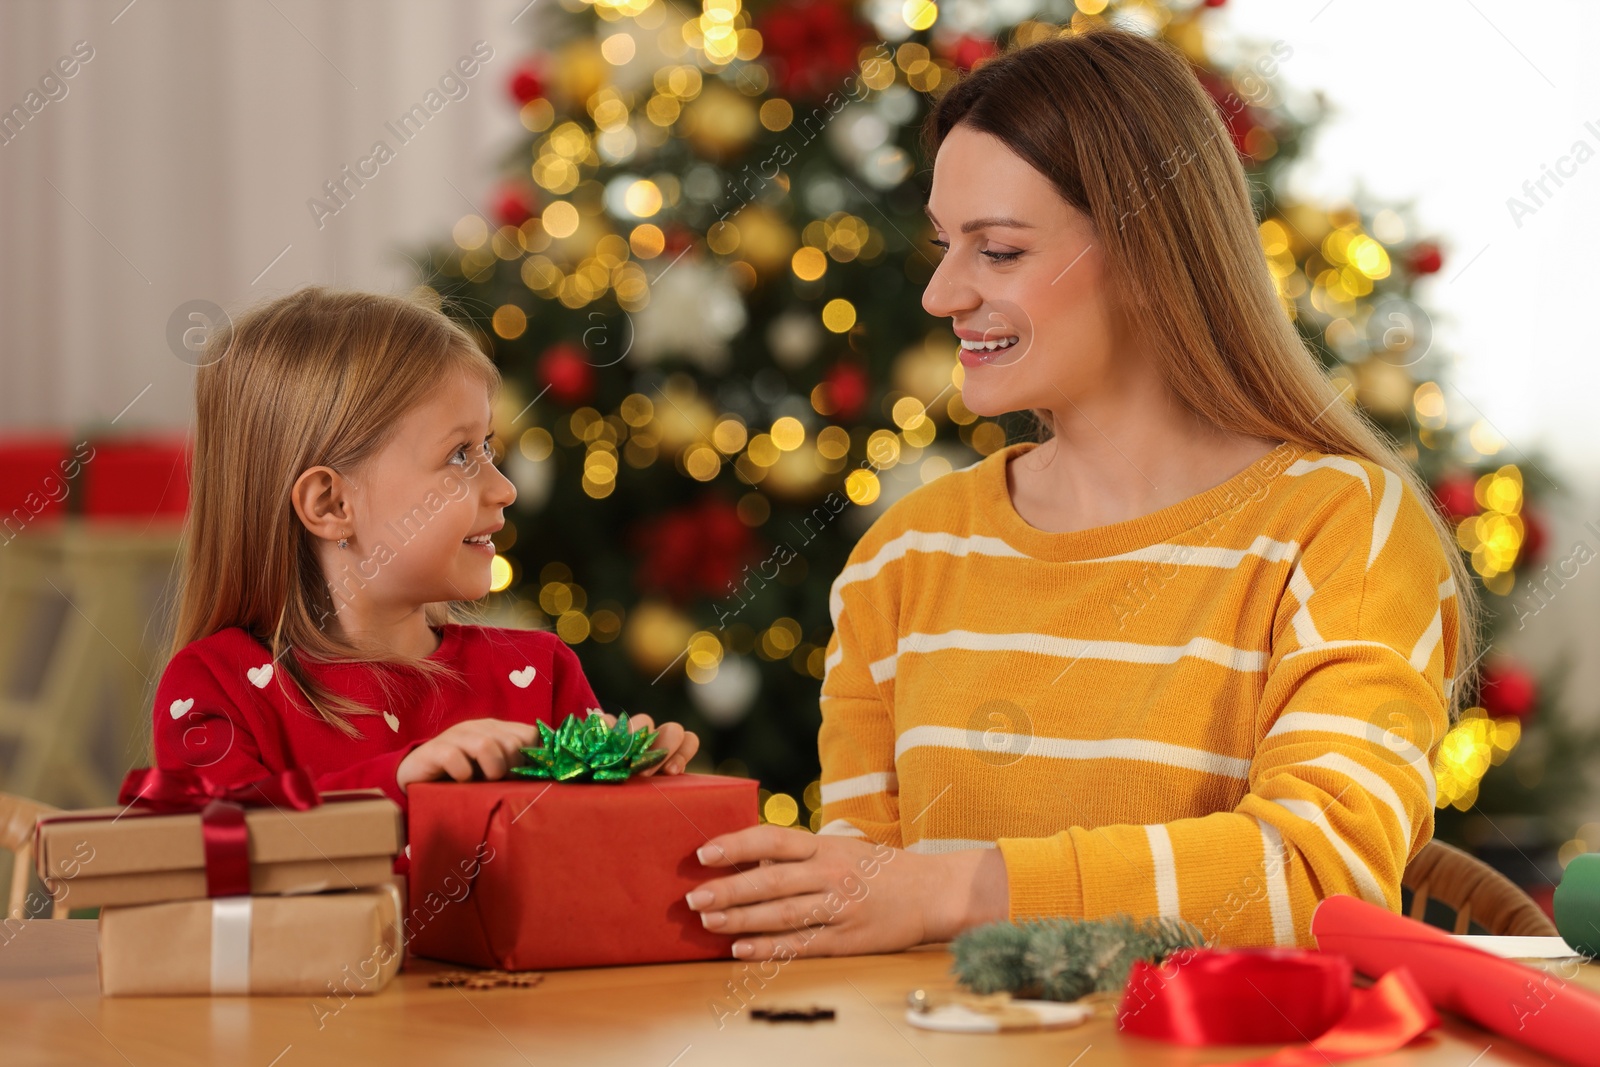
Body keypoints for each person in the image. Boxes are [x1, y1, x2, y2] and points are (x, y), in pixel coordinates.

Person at [684, 26, 1478, 960]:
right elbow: (866, 915)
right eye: (946, 245)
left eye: (1000, 251)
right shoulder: (907, 557)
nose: (942, 293)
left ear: (1148, 254)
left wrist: (957, 885)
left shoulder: (1343, 530)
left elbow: (1317, 880)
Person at [150, 286, 699, 828]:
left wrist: (643, 791)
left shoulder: (540, 673)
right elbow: (215, 850)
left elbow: (595, 875)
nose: (505, 489)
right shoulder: (218, 686)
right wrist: (400, 783)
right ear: (331, 504)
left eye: (488, 447)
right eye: (460, 455)